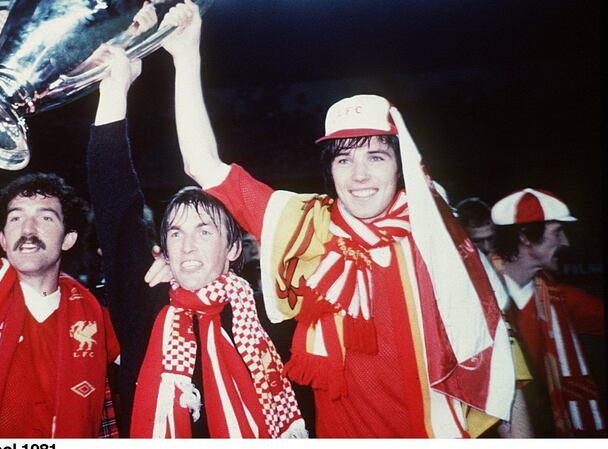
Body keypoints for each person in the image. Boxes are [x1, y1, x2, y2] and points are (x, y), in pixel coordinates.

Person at [158, 0, 516, 438]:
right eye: (345, 160)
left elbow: (497, 361)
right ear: (330, 170)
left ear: (401, 165)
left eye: (376, 157)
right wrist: (186, 56)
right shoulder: (307, 224)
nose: (360, 175)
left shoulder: (438, 234)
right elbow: (203, 166)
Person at [84, 35, 306, 437]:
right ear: (163, 247)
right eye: (176, 232)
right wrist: (114, 90)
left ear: (234, 247)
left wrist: (187, 56)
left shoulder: (272, 315)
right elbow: (114, 200)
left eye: (204, 231)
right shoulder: (146, 305)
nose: (187, 245)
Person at [0, 11, 119, 438]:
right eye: (15, 218)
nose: (27, 229)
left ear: (69, 238)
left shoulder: (93, 311)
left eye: (45, 217)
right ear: (0, 238)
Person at [491, 188, 605, 437]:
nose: (566, 242)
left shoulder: (562, 300)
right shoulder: (474, 293)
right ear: (526, 238)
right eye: (557, 232)